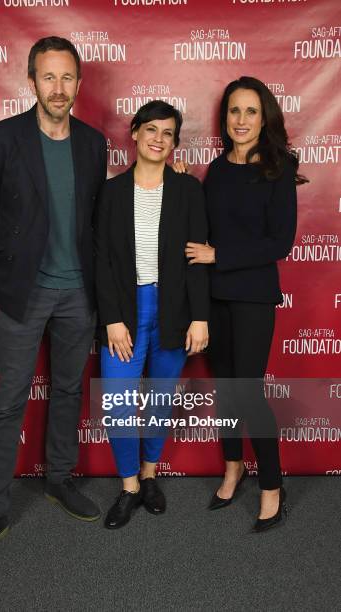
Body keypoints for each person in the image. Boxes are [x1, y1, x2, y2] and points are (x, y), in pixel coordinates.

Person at [0, 36, 107, 570]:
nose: (58, 88)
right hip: (25, 292)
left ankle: (58, 479)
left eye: (68, 78)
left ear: (79, 83)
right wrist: (14, 266)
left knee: (68, 390)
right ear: (32, 80)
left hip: (78, 294)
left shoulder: (93, 143)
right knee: (9, 401)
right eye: (49, 77)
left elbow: (96, 219)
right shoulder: (1, 139)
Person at [184, 76, 307, 532]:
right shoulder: (215, 170)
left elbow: (281, 242)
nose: (241, 120)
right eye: (234, 111)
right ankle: (234, 465)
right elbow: (200, 218)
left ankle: (272, 484)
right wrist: (181, 182)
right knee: (227, 389)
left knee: (248, 391)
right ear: (225, 118)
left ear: (264, 117)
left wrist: (221, 255)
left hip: (254, 295)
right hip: (215, 297)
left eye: (251, 111)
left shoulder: (279, 167)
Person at [95, 101, 209, 529]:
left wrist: (199, 317)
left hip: (173, 310)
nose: (159, 139)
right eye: (151, 130)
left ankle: (149, 478)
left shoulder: (188, 190)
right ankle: (127, 488)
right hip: (124, 311)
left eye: (168, 133)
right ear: (135, 133)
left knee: (160, 402)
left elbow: (196, 257)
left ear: (175, 142)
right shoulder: (110, 193)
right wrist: (111, 318)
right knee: (120, 406)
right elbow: (101, 259)